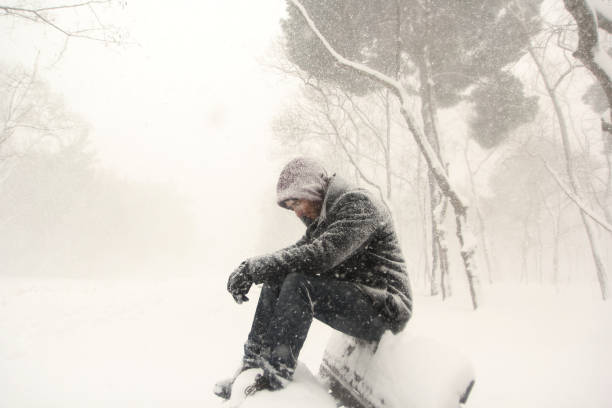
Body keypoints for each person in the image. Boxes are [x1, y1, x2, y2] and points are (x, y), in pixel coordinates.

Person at [215, 157, 412, 398]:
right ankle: (252, 364)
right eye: (290, 207)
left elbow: (321, 255)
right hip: (363, 299)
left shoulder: (359, 204)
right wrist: (252, 267)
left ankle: (276, 375)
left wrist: (255, 268)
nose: (297, 211)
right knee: (277, 278)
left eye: (296, 202)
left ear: (314, 189)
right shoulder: (326, 218)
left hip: (387, 308)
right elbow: (295, 252)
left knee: (299, 284)